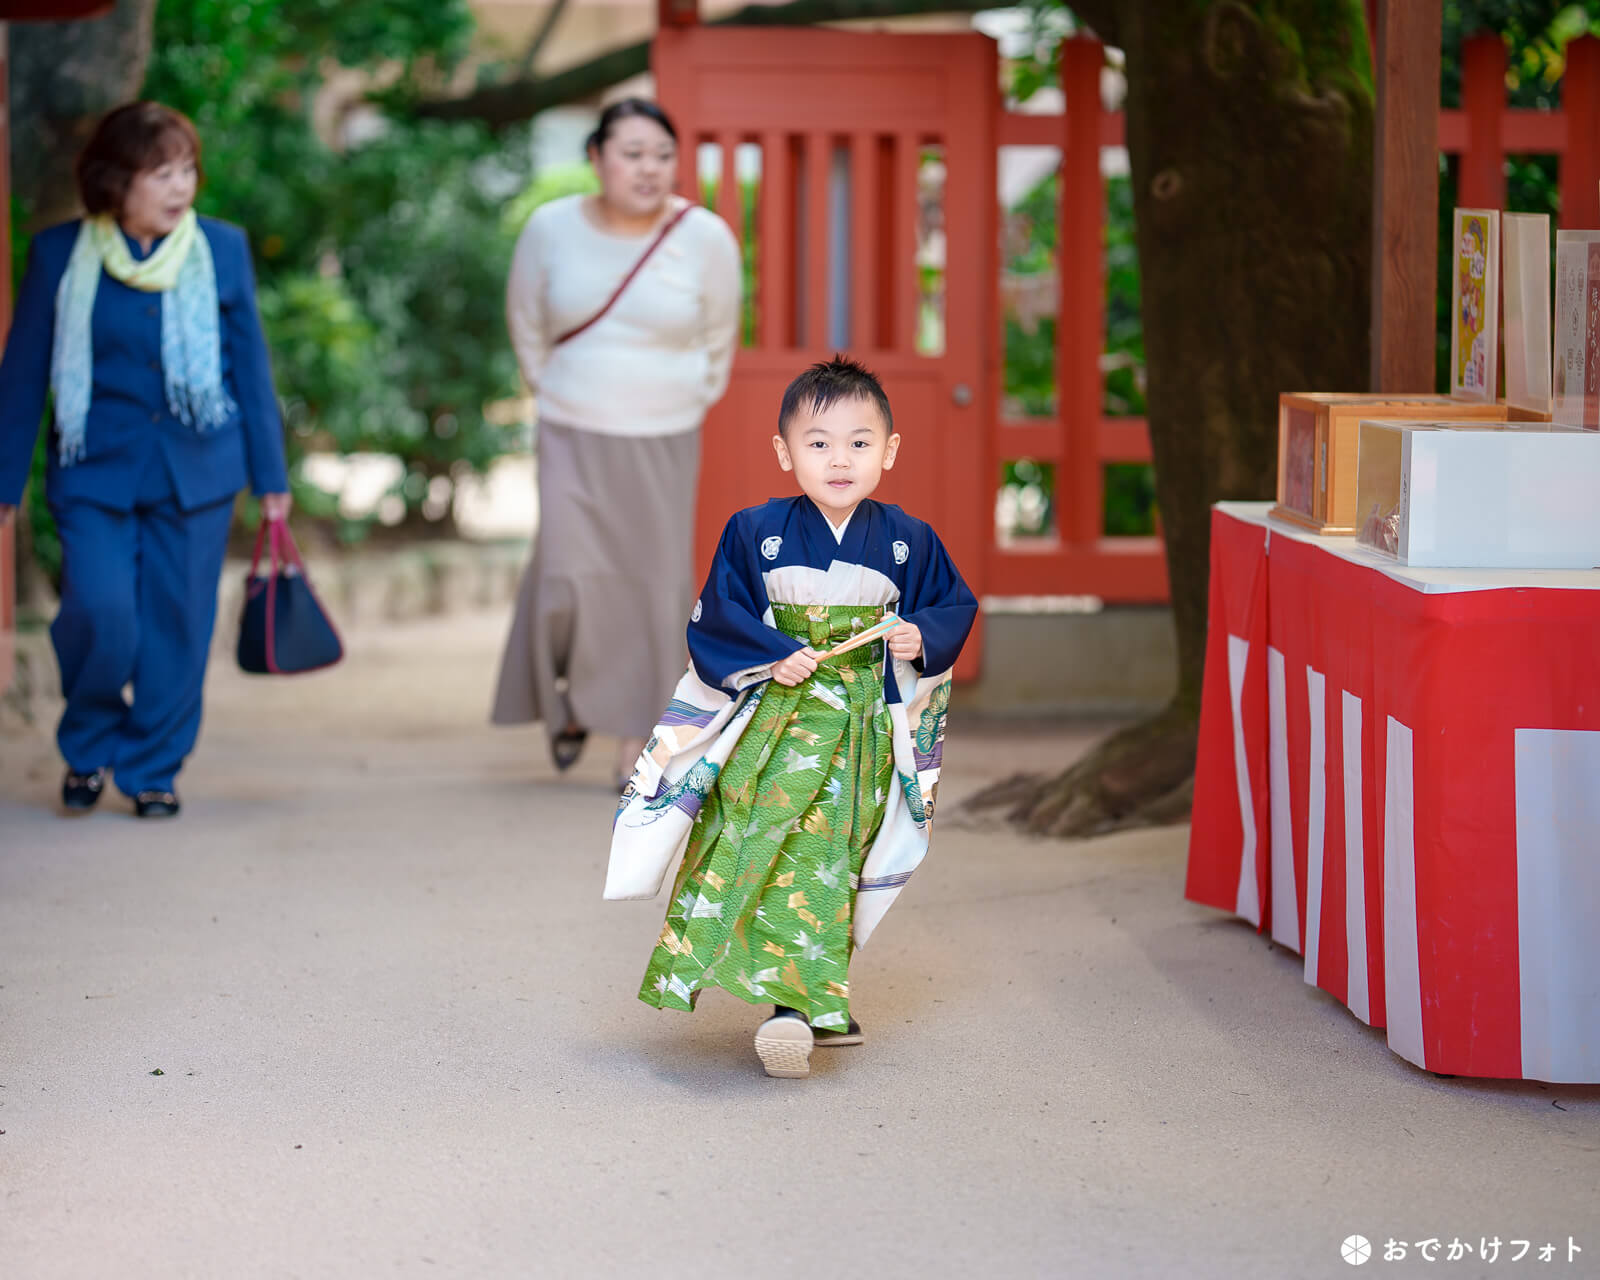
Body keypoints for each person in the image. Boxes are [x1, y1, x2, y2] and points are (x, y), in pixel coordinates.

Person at [607, 356, 978, 1079]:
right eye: (818, 443)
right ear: (785, 453)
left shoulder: (909, 540)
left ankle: (807, 1004)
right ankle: (799, 1006)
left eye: (860, 443)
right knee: (755, 836)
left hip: (859, 731)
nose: (840, 460)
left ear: (890, 452)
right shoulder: (754, 532)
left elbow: (950, 607)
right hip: (774, 725)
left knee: (833, 853)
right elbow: (719, 617)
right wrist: (774, 651)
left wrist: (918, 635)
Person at [0, 102, 290, 819]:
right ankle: (89, 741)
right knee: (101, 614)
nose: (179, 186)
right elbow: (25, 371)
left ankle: (153, 766)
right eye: (160, 172)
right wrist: (7, 481)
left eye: (186, 168)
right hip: (93, 468)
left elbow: (250, 368)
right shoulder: (61, 253)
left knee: (179, 626)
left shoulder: (220, 249)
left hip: (198, 470)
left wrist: (272, 477)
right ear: (114, 178)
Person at [491, 98, 742, 786]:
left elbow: (720, 338)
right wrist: (560, 390)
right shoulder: (550, 228)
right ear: (596, 159)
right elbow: (526, 321)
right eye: (632, 154)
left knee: (652, 587)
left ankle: (634, 735)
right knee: (568, 578)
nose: (649, 169)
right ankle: (566, 699)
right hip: (573, 428)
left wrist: (683, 395)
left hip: (663, 434)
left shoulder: (706, 236)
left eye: (663, 155)